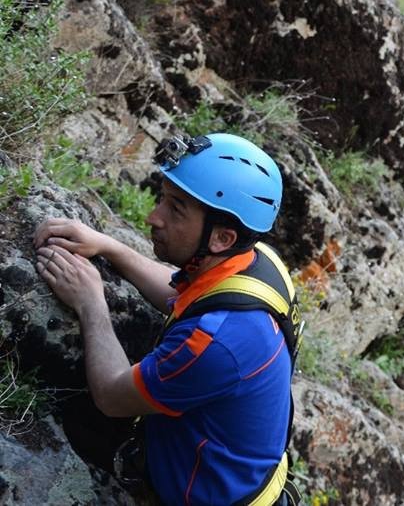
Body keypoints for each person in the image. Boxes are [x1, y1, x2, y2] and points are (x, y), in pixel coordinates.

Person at [34, 133, 299, 506]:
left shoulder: (214, 343)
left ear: (222, 237)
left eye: (176, 209)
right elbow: (182, 296)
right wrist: (109, 246)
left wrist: (90, 300)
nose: (153, 217)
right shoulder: (257, 265)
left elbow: (112, 395)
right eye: (163, 197)